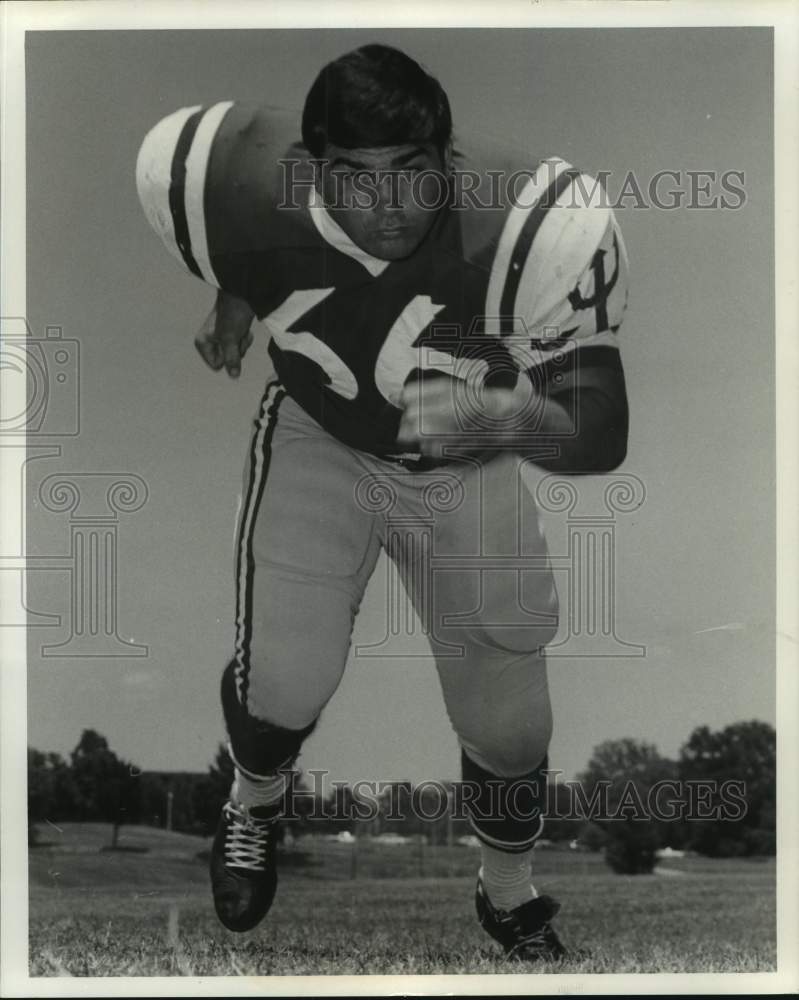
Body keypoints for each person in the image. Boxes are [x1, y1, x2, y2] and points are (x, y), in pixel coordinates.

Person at [136, 43, 629, 962]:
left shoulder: (534, 223)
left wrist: (500, 414)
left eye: (412, 174)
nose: (388, 207)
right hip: (320, 434)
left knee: (510, 725)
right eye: (353, 181)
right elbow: (244, 236)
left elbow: (602, 425)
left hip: (466, 465)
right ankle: (251, 804)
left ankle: (508, 889)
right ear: (308, 169)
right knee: (286, 676)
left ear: (447, 155)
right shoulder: (227, 177)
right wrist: (237, 299)